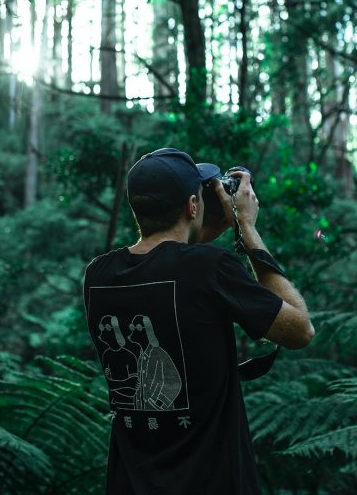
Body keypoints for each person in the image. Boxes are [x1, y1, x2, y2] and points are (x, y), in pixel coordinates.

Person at [82, 147, 314, 494]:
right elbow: (300, 331)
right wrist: (245, 228)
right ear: (192, 205)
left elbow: (170, 265)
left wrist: (202, 229)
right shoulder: (210, 268)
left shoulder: (98, 275)